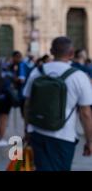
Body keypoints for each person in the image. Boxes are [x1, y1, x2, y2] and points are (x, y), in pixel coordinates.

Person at [23, 37, 92, 171]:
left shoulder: (37, 71)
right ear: (71, 53)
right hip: (63, 137)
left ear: (51, 51)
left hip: (37, 132)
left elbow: (27, 104)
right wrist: (89, 140)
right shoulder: (79, 76)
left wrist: (27, 130)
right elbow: (85, 113)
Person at [9, 51, 29, 117]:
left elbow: (22, 80)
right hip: (21, 92)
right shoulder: (15, 65)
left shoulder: (22, 65)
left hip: (23, 93)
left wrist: (14, 78)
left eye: (19, 57)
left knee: (24, 114)